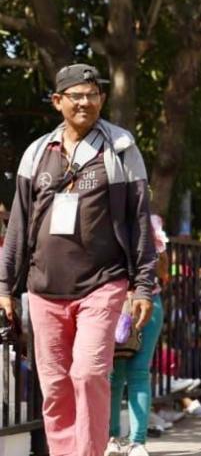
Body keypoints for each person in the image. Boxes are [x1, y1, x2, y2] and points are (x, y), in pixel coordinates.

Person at [0, 63, 157, 456]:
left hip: (103, 283)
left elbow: (139, 218)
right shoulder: (38, 153)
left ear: (102, 99)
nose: (85, 101)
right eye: (76, 95)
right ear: (58, 102)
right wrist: (4, 286)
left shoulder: (119, 147)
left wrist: (142, 286)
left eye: (93, 94)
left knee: (87, 374)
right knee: (54, 385)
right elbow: (18, 224)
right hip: (44, 289)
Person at [105, 214, 170, 456]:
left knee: (139, 371)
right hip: (114, 303)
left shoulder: (152, 223)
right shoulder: (106, 218)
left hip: (149, 301)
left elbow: (163, 269)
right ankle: (111, 437)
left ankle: (137, 441)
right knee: (114, 374)